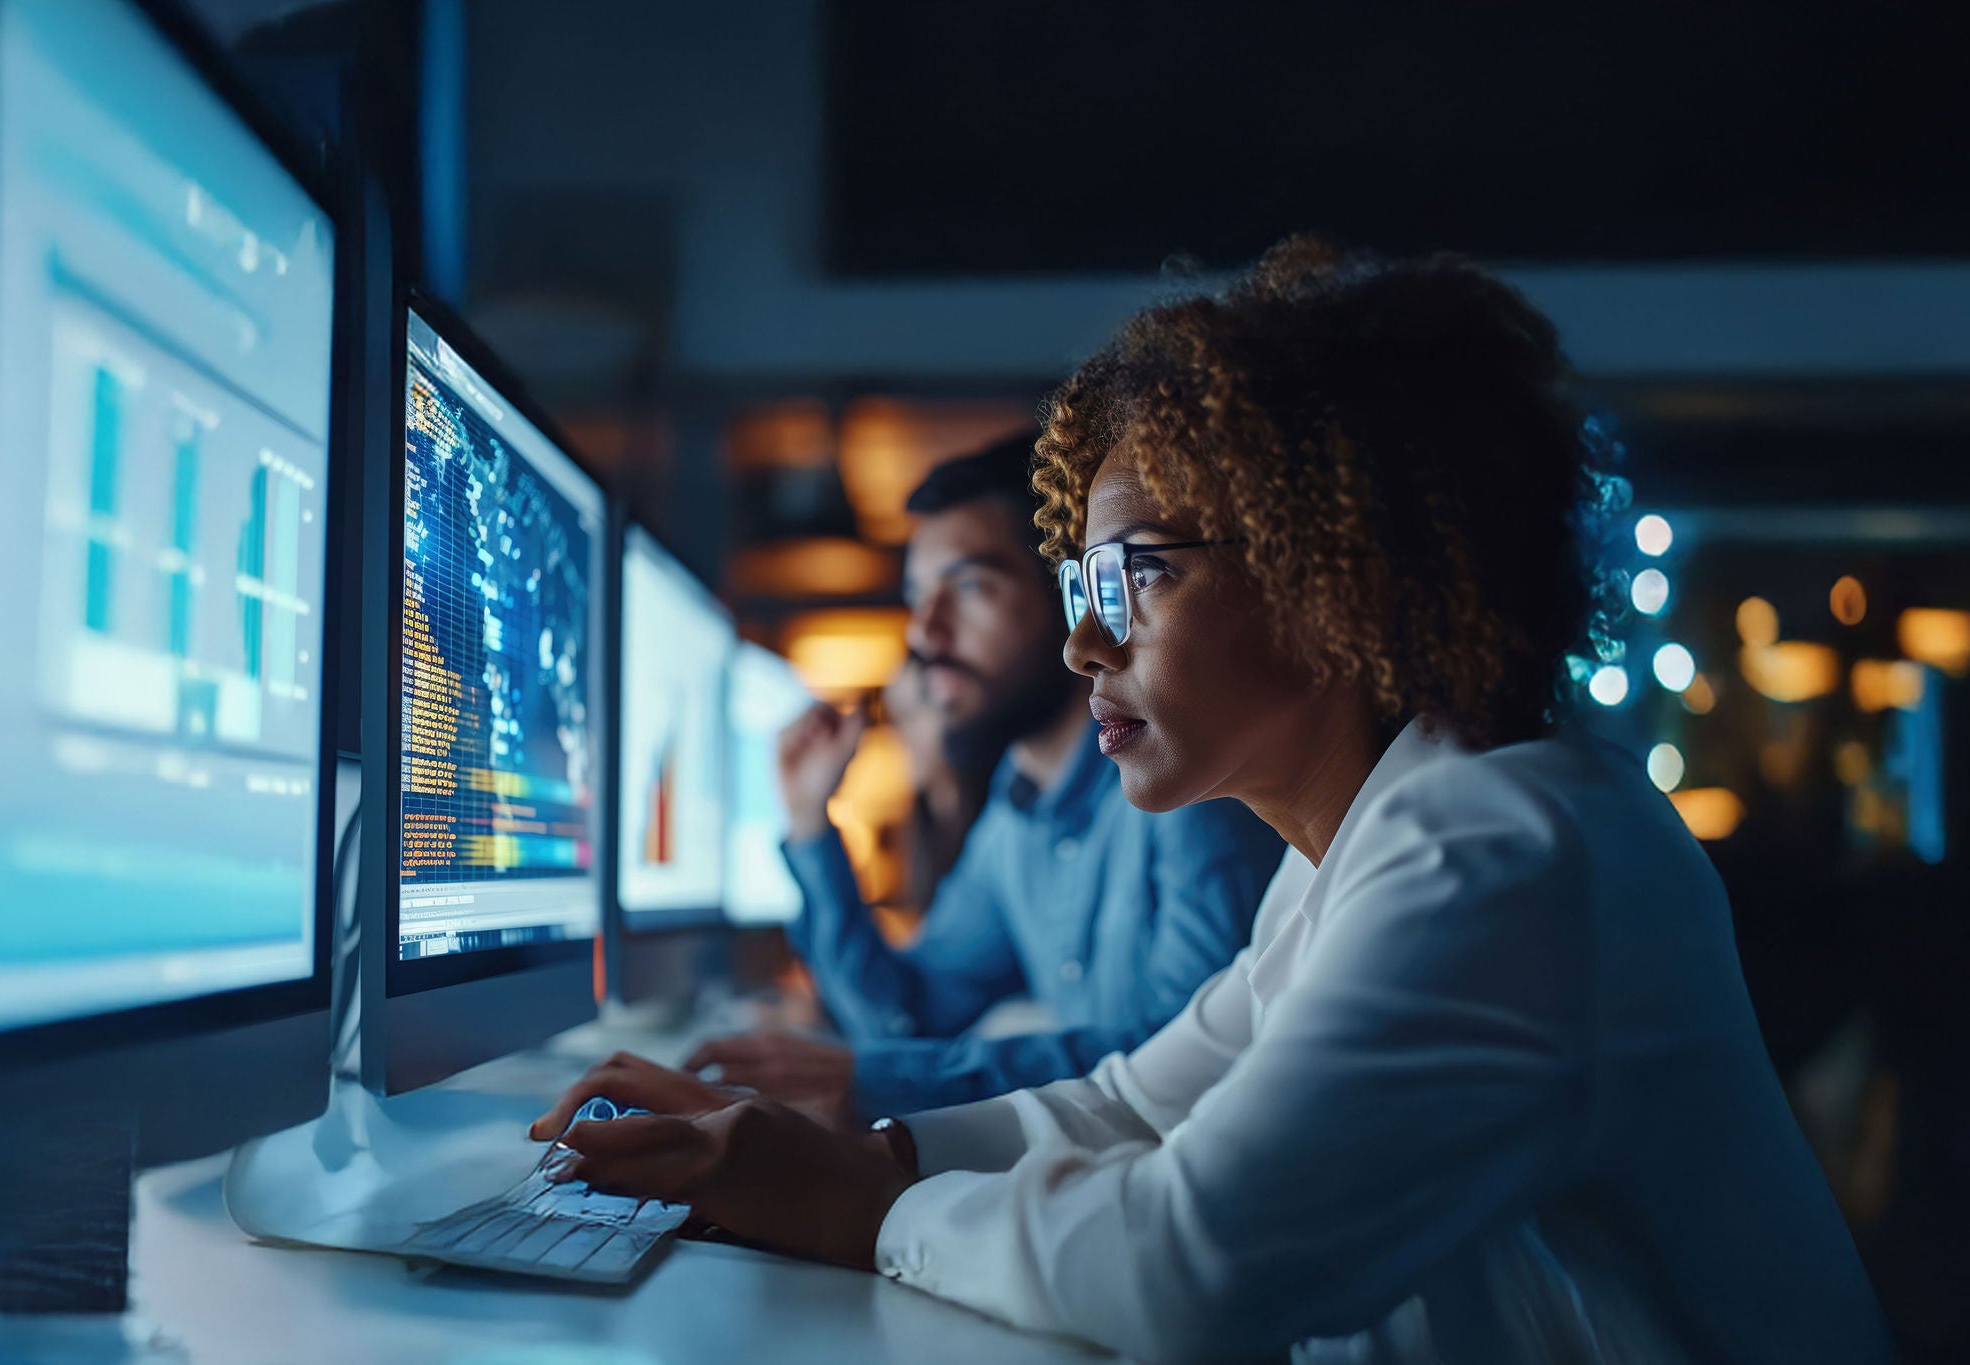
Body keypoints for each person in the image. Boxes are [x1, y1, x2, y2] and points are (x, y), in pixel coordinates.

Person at [533, 240, 1894, 1363]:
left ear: (1335, 572)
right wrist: (856, 1149)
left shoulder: (1504, 847)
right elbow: (1130, 1103)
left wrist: (858, 1202)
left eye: (1139, 580)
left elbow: (1185, 1269)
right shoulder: (1356, 843)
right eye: (1081, 592)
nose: (1085, 647)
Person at [688, 436, 1283, 1118]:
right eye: (918, 597)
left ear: (1069, 596)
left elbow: (1182, 1061)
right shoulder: (1014, 815)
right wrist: (807, 823)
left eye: (970, 587)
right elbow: (903, 1020)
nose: (925, 634)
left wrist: (869, 1078)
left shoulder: (1183, 775)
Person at [880, 654, 1000, 915]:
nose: (900, 735)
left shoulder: (999, 820)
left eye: (912, 714)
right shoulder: (920, 825)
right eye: (895, 720)